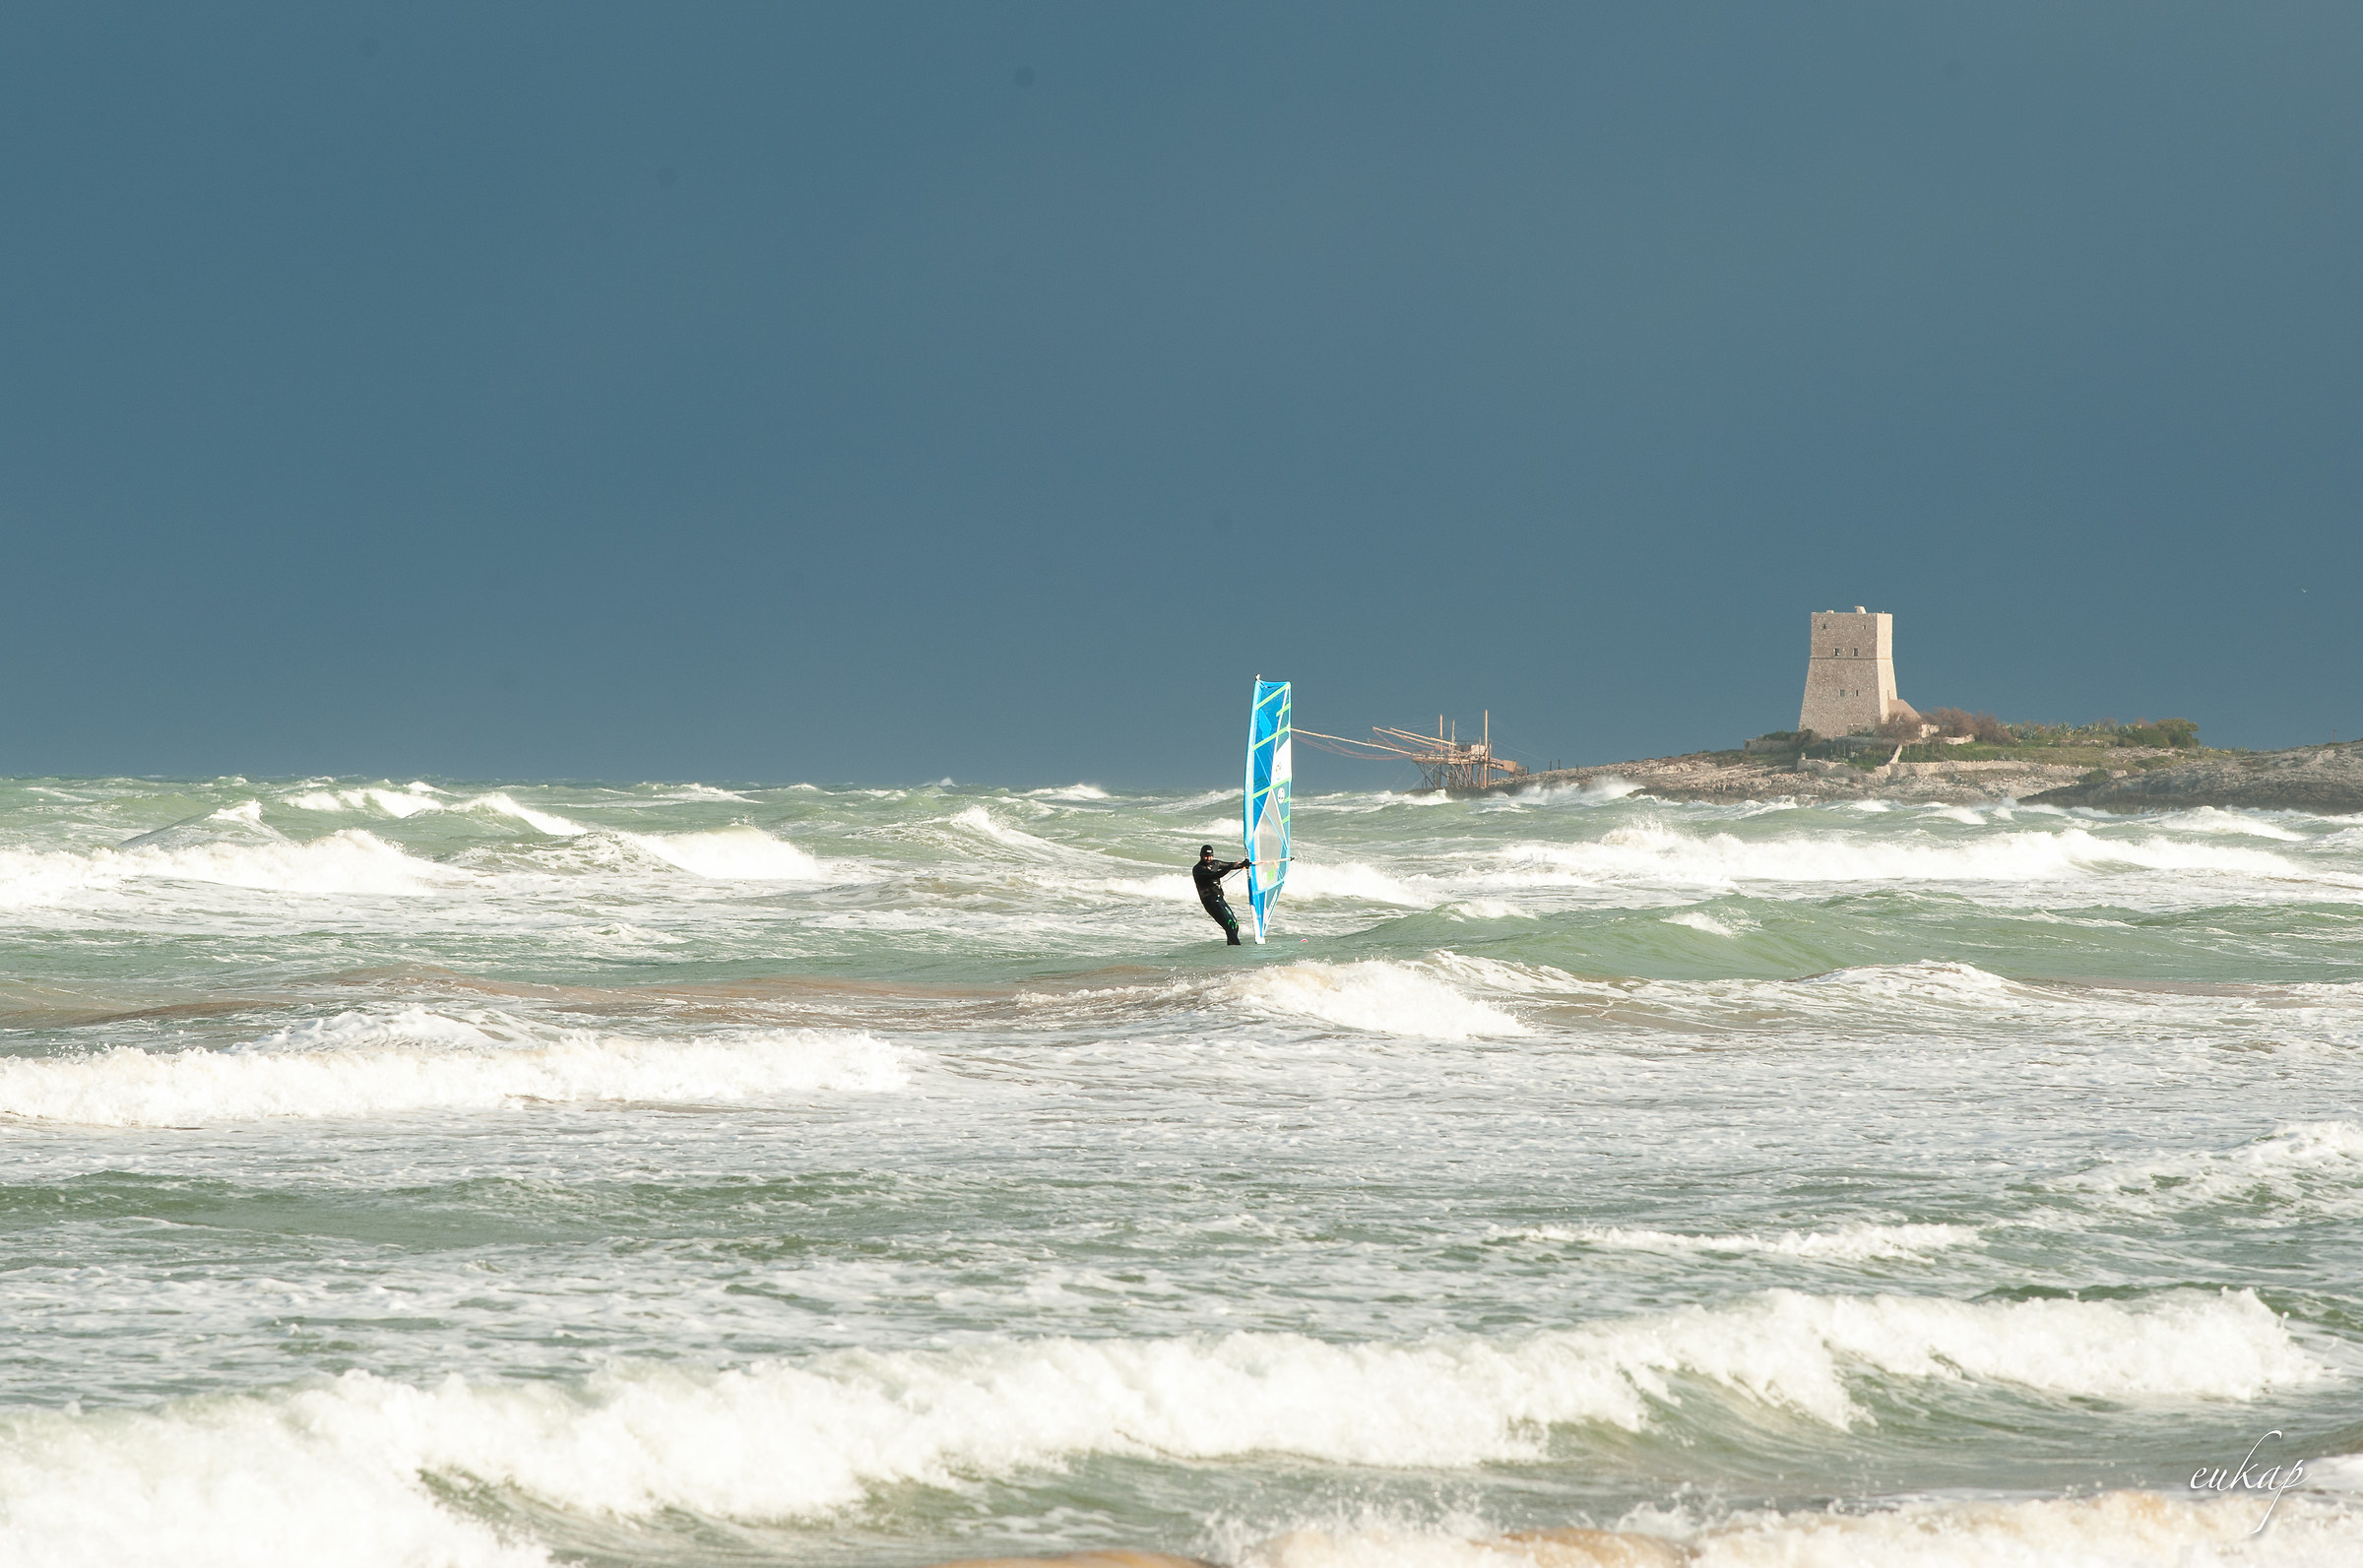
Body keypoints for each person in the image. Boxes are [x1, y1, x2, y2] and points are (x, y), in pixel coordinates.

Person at [1192, 844, 1252, 945]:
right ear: (1201, 856)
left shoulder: (1215, 864)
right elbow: (1215, 875)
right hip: (1210, 902)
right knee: (1228, 925)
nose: (1208, 858)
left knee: (1235, 925)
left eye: (1210, 856)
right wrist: (1230, 867)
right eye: (1206, 856)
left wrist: (1244, 864)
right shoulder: (1198, 869)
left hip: (1219, 899)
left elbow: (1231, 865)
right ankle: (1237, 947)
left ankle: (1231, 949)